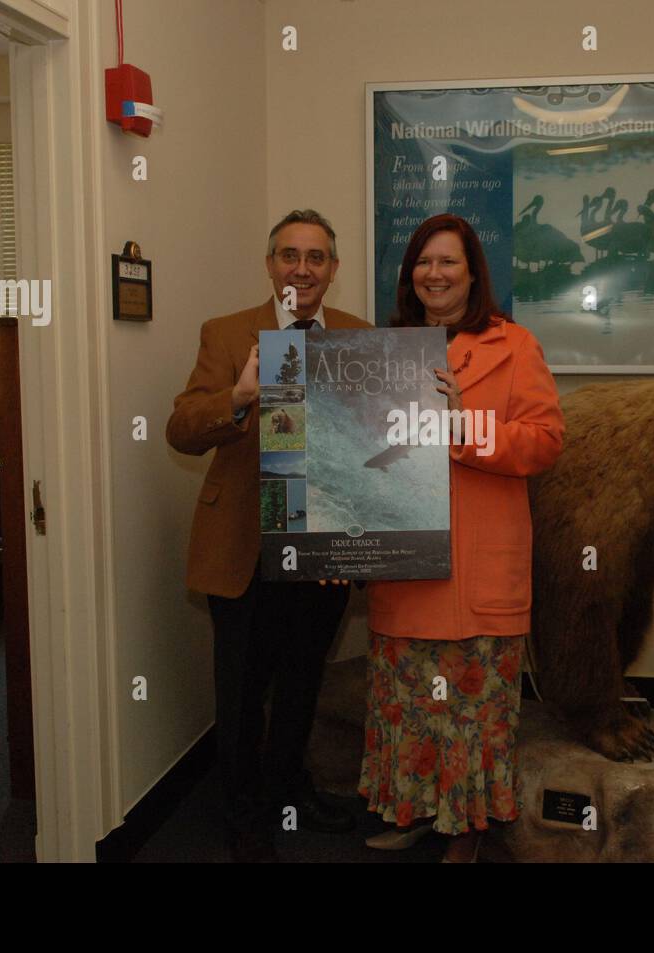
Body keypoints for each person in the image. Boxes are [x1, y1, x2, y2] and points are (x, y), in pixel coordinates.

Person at [358, 214, 564, 862]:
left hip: (479, 570)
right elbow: (361, 455)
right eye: (423, 262)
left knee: (472, 714)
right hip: (408, 565)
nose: (435, 273)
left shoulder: (515, 346)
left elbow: (545, 442)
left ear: (474, 272)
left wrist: (463, 426)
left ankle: (467, 827)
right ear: (409, 275)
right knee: (410, 705)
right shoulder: (382, 354)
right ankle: (415, 809)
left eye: (449, 261)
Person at [166, 209, 370, 862]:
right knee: (242, 691)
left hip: (322, 546)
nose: (302, 268)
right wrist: (240, 393)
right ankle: (243, 816)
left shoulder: (359, 336)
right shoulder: (226, 333)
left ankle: (290, 788)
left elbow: (372, 442)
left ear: (332, 271)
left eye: (316, 257)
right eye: (289, 254)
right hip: (244, 547)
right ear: (270, 263)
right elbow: (181, 428)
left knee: (303, 680)